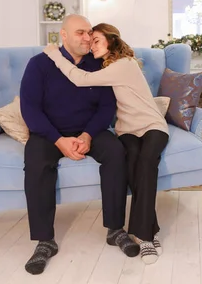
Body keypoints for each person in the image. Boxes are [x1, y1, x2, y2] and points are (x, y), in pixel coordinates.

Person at [20, 15, 139, 275]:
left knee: (116, 152)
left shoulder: (98, 65)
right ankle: (44, 241)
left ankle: (115, 229)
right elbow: (30, 109)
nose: (87, 38)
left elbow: (107, 107)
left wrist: (87, 135)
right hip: (49, 133)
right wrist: (59, 141)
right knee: (36, 161)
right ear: (63, 35)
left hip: (89, 131)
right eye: (80, 33)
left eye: (89, 33)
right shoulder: (39, 64)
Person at [43, 23, 169, 265]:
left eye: (97, 40)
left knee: (146, 164)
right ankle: (148, 230)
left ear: (111, 41)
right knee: (131, 164)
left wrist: (54, 54)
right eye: (91, 42)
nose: (92, 45)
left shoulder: (124, 65)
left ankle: (144, 237)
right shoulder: (107, 65)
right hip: (127, 130)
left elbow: (80, 79)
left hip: (152, 126)